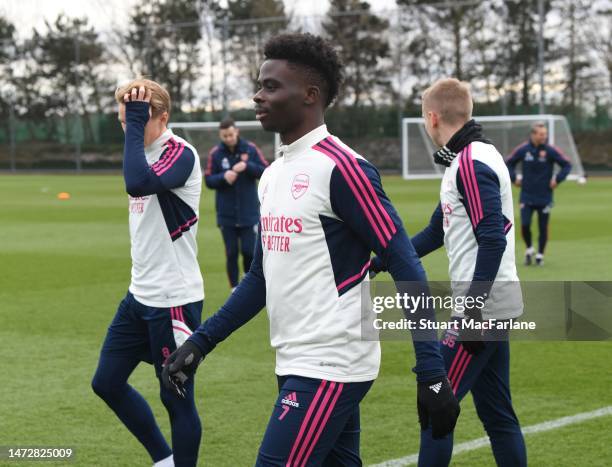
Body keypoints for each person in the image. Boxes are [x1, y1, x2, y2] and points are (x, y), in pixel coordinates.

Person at [161, 33, 459, 466]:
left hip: (332, 362)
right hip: (294, 358)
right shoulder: (273, 175)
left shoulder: (342, 168)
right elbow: (261, 277)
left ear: (310, 95)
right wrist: (200, 343)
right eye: (260, 84)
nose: (257, 95)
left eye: (271, 86)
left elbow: (404, 262)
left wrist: (431, 372)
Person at [403, 78, 527, 467]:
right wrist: (379, 261)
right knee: (498, 416)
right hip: (492, 303)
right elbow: (435, 232)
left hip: (481, 310)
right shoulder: (468, 159)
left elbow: (493, 240)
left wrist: (471, 312)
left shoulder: (471, 162)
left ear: (432, 116)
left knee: (436, 412)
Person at [92, 79, 204, 467]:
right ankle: (164, 460)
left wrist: (136, 124)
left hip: (174, 300)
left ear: (162, 117)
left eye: (135, 120)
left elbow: (137, 183)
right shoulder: (139, 152)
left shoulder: (181, 153)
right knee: (105, 383)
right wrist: (136, 126)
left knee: (175, 398)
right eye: (123, 121)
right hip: (139, 297)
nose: (129, 129)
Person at [205, 117, 269, 289]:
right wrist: (223, 177)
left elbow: (266, 171)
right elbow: (209, 180)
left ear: (237, 132)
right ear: (221, 135)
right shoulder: (215, 153)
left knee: (249, 251)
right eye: (224, 136)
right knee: (231, 253)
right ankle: (234, 289)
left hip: (249, 213)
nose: (228, 138)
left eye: (231, 135)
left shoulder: (250, 149)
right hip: (226, 214)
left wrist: (247, 166)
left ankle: (247, 286)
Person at [506, 122, 572, 266]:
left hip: (544, 196)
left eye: (545, 134)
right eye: (541, 134)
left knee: (543, 227)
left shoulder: (550, 150)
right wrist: (514, 178)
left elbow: (567, 164)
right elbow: (508, 163)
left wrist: (558, 179)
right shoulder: (523, 150)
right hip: (527, 196)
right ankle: (529, 249)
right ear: (533, 134)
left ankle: (540, 255)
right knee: (525, 225)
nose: (544, 137)